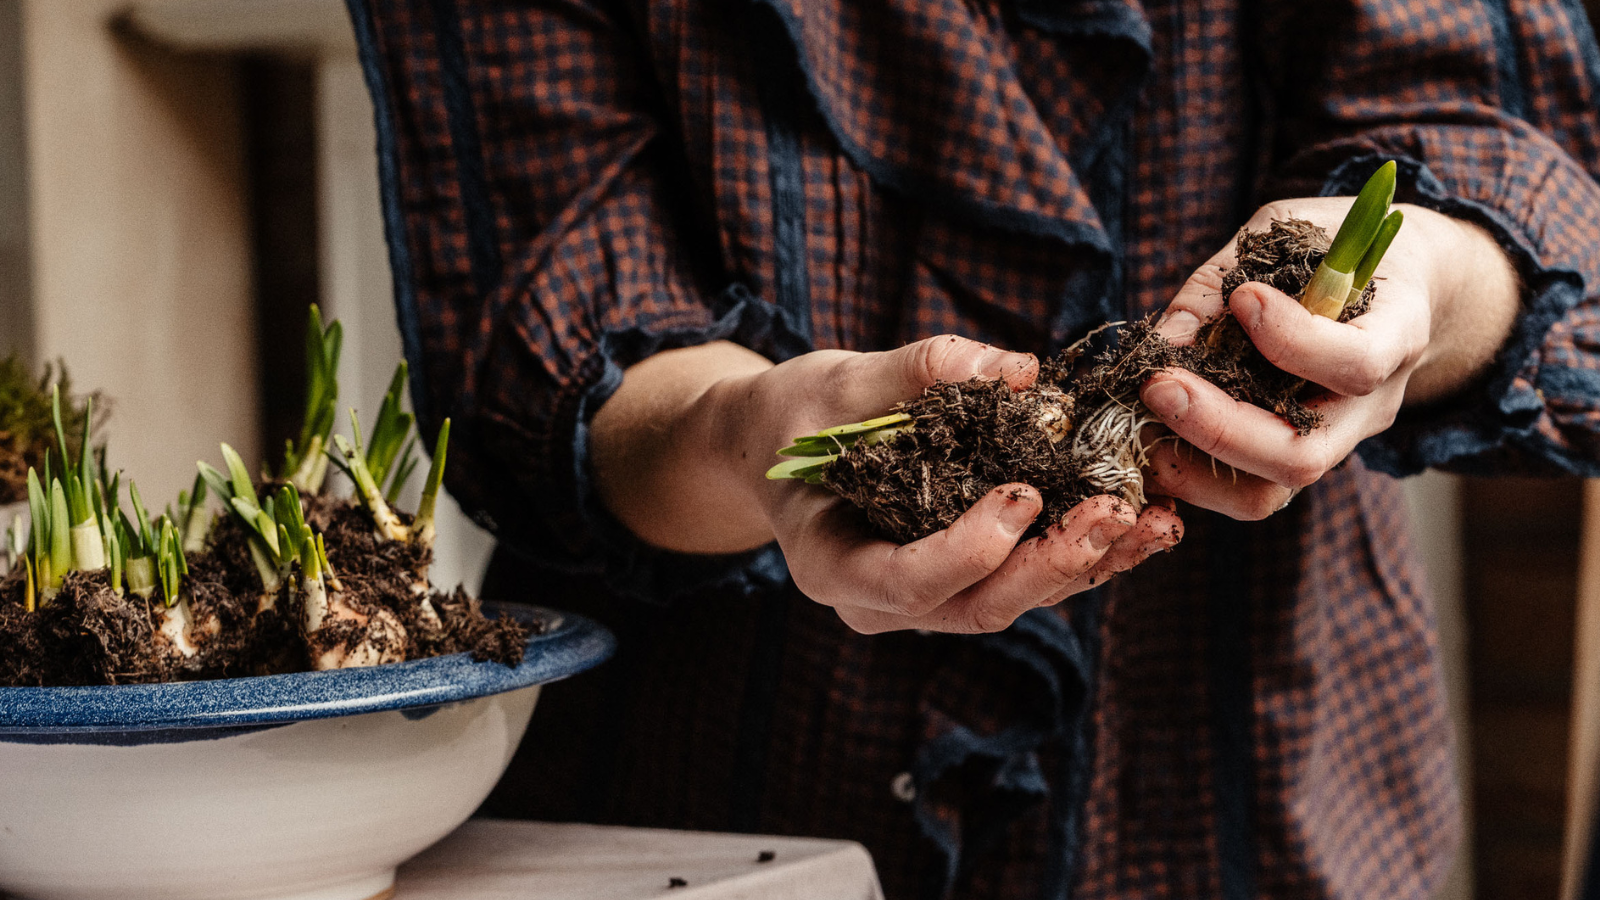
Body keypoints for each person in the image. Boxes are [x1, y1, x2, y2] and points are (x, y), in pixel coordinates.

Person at [343, 0, 1600, 896]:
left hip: (1237, 766)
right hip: (719, 800)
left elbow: (1490, 143)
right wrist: (747, 433)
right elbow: (547, 343)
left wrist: (1417, 276)